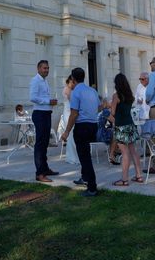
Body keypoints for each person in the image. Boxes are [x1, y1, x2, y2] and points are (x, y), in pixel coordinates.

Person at [61, 67, 101, 197]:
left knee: (85, 157)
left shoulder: (76, 92)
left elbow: (74, 113)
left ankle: (92, 187)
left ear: (73, 78)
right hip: (93, 124)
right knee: (85, 154)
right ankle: (84, 177)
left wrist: (66, 131)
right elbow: (99, 106)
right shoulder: (92, 91)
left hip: (82, 126)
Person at [108, 73, 144, 186]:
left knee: (125, 153)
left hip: (121, 126)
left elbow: (113, 113)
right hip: (130, 125)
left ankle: (124, 179)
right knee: (133, 151)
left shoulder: (116, 96)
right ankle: (139, 176)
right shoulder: (130, 96)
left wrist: (108, 110)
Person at [29, 60, 59, 182]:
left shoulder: (45, 81)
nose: (46, 70)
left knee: (45, 142)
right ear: (38, 69)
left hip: (46, 113)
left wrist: (51, 101)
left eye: (47, 68)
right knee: (40, 144)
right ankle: (39, 174)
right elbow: (32, 97)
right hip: (39, 114)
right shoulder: (35, 80)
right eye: (44, 68)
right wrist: (48, 102)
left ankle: (45, 169)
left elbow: (42, 97)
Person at [61, 75, 79, 165]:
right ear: (69, 82)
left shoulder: (71, 90)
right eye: (73, 82)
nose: (74, 84)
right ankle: (72, 157)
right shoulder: (67, 90)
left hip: (70, 113)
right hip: (68, 114)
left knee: (73, 135)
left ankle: (73, 156)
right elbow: (73, 102)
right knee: (71, 134)